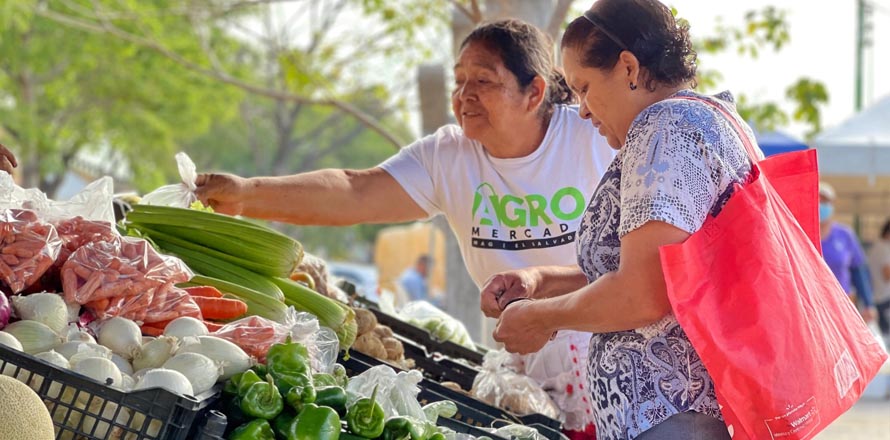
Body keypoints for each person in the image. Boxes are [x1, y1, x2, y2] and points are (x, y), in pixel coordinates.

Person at [195, 19, 614, 436]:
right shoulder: (449, 156)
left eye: (483, 81)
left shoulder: (593, 134)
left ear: (534, 92)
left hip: (623, 363)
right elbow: (354, 190)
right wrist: (246, 194)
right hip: (530, 380)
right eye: (459, 81)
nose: (465, 95)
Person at [480, 1, 764, 438]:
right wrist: (543, 281)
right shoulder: (711, 118)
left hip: (674, 416)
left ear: (629, 68)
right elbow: (661, 272)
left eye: (585, 87)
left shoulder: (663, 128)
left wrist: (541, 318)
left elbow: (642, 295)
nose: (584, 110)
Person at [818, 182, 877, 322]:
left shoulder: (845, 235)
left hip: (842, 306)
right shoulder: (801, 232)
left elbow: (858, 270)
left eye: (825, 201)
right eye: (818, 200)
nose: (821, 205)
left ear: (832, 205)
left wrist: (868, 304)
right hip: (813, 306)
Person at [867, 219, 890, 339]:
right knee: (886, 336)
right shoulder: (884, 248)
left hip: (878, 296)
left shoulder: (877, 247)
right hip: (884, 299)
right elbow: (887, 275)